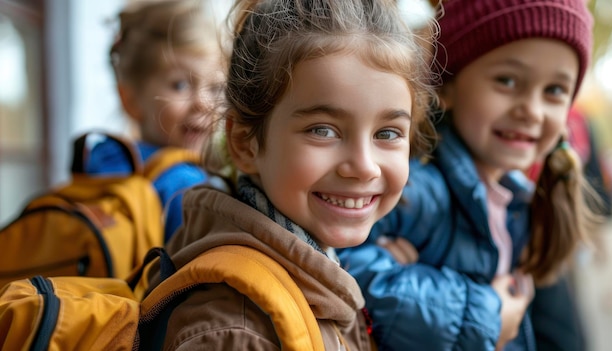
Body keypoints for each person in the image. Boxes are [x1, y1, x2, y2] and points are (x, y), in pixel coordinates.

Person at [139, 0, 437, 349]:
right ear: (245, 143)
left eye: (387, 133)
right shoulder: (236, 332)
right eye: (323, 130)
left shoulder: (319, 273)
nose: (364, 166)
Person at [338, 0, 600, 350]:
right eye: (507, 81)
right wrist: (486, 316)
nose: (532, 111)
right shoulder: (419, 187)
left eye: (554, 90)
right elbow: (342, 268)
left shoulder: (515, 198)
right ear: (447, 87)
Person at [86, 0, 229, 243]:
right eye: (180, 85)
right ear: (130, 99)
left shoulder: (100, 158)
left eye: (216, 88)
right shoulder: (187, 187)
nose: (203, 104)